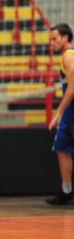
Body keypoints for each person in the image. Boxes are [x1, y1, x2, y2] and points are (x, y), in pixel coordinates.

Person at [47, 23, 74, 205]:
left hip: (71, 110)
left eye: (54, 38)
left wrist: (59, 112)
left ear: (65, 38)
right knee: (61, 147)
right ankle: (66, 191)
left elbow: (72, 89)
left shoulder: (68, 56)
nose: (51, 43)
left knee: (62, 148)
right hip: (70, 112)